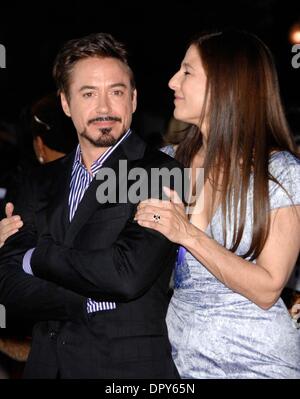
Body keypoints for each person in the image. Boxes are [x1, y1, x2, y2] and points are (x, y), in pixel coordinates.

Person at [0, 32, 181, 379]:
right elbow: (7, 283)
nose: (104, 108)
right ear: (66, 103)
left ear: (133, 100)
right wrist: (88, 300)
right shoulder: (37, 181)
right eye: (88, 94)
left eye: (116, 92)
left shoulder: (159, 172)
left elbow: (126, 276)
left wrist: (35, 256)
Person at [134, 30, 300, 378]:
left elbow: (269, 287)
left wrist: (188, 234)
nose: (172, 81)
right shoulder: (167, 164)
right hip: (179, 361)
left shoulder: (280, 172)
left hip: (256, 363)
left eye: (187, 72)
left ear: (225, 85)